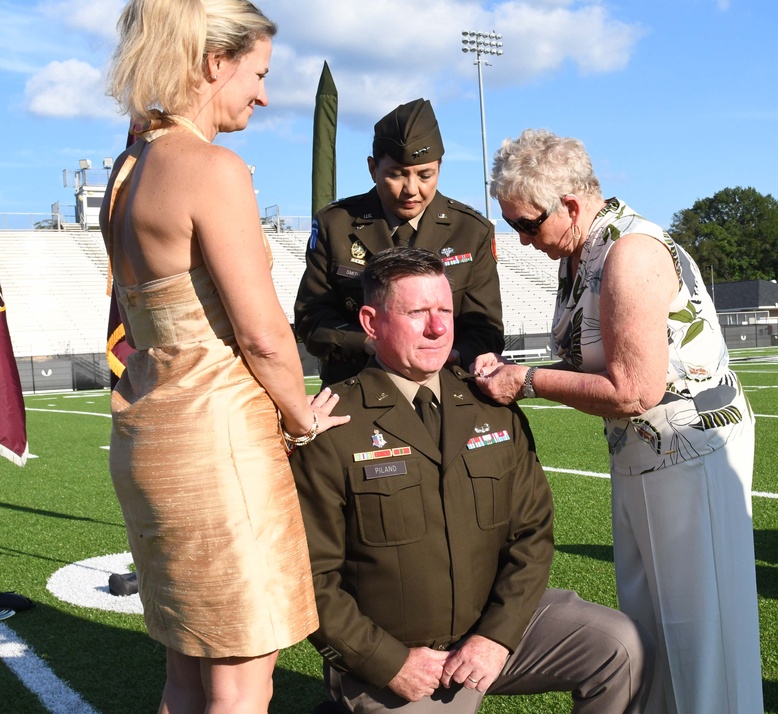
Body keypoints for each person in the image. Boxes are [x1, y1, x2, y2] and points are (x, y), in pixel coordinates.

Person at [99, 2, 349, 711]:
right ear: (215, 63)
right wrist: (302, 417)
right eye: (259, 73)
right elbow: (263, 333)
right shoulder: (213, 169)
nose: (265, 95)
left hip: (150, 433)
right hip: (218, 442)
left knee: (184, 674)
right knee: (242, 684)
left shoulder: (127, 166)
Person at [472, 129, 762, 714]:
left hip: (689, 452)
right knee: (651, 616)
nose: (524, 241)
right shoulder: (579, 250)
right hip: (642, 453)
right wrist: (515, 369)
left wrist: (524, 380)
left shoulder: (630, 254)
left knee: (699, 630)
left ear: (571, 205)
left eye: (527, 225)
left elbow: (633, 390)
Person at [290, 247, 650, 714]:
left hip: (496, 630)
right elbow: (308, 575)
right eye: (417, 312)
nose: (438, 328)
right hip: (402, 656)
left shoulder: (489, 403)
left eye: (444, 310)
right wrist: (388, 662)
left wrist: (496, 636)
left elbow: (532, 534)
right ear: (371, 322)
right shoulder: (334, 423)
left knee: (619, 647)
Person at [294, 98, 504, 384]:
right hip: (360, 388)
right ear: (372, 169)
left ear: (439, 168)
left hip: (445, 390)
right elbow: (311, 318)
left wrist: (451, 355)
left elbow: (486, 328)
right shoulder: (336, 225)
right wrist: (368, 344)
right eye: (396, 174)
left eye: (425, 175)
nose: (411, 189)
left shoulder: (471, 230)